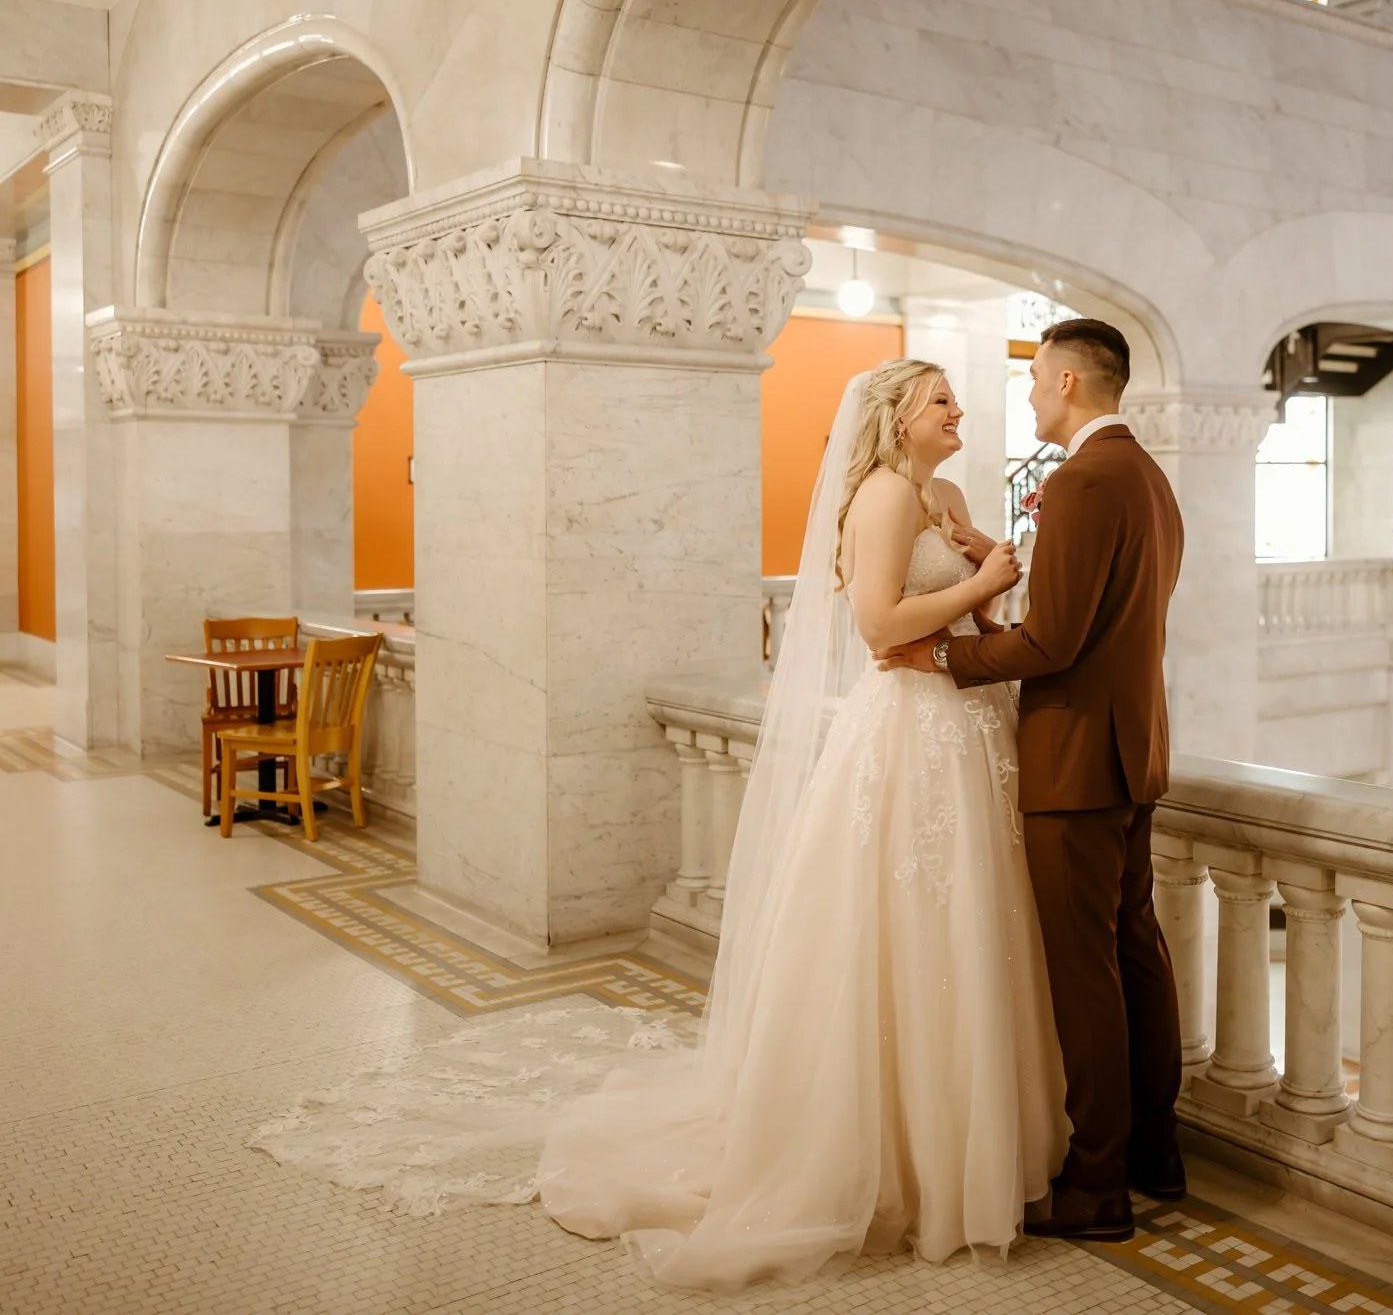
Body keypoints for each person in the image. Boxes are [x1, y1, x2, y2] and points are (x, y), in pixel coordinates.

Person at [253, 360, 1069, 1291]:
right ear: (895, 418)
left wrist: (983, 565)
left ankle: (972, 1139)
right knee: (903, 928)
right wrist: (981, 582)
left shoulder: (948, 492)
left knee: (969, 929)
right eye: (941, 401)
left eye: (956, 400)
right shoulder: (882, 495)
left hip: (967, 729)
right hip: (910, 731)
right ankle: (896, 1157)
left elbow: (966, 613)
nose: (959, 410)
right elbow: (882, 628)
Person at [879, 318, 1187, 1242]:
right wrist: (987, 562)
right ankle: (1153, 1149)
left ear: (1063, 381)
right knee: (1136, 949)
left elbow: (1054, 642)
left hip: (1074, 760)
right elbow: (1095, 616)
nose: (1025, 395)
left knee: (1084, 972)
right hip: (1131, 749)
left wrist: (941, 657)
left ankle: (1096, 1188)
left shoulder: (1080, 481)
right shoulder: (1144, 475)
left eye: (1033, 380)